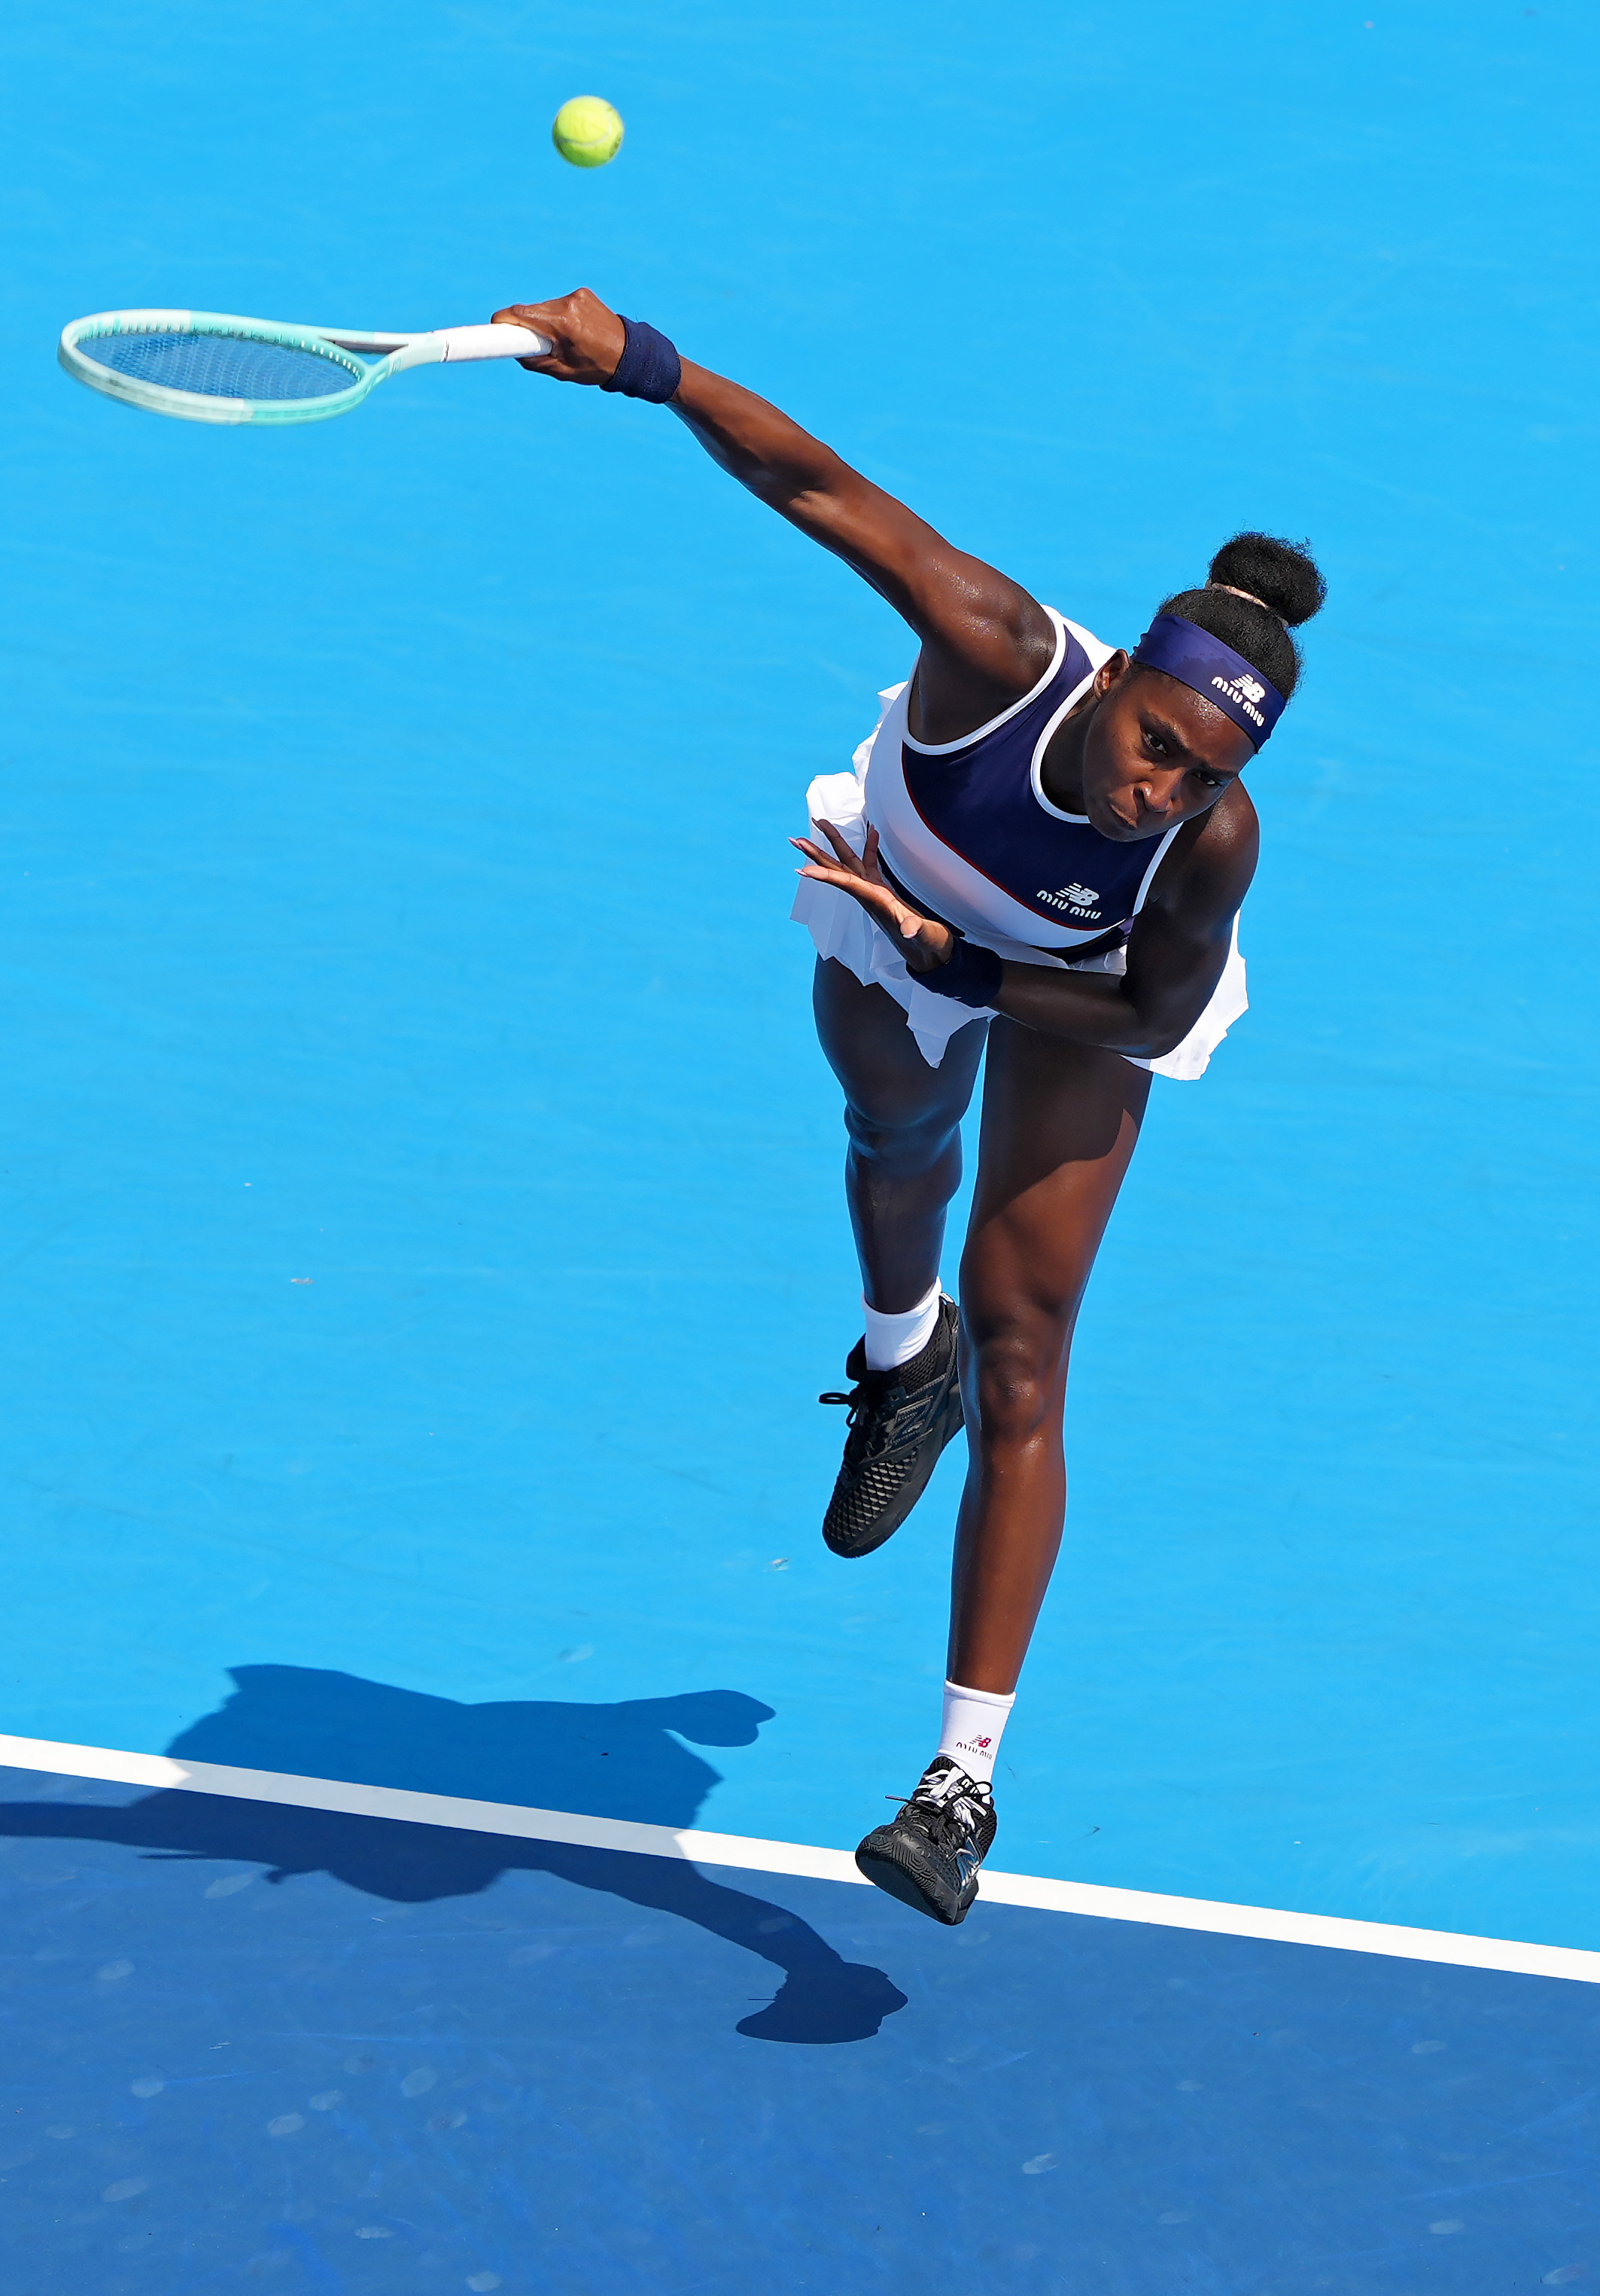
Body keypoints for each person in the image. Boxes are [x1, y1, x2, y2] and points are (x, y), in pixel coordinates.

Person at [494, 288, 1323, 1926]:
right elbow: (816, 485)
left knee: (1032, 1341)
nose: (1159, 790)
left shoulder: (1207, 848)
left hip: (1067, 988)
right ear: (1118, 683)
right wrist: (646, 367)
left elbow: (1153, 1006)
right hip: (906, 903)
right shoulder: (994, 649)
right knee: (895, 1141)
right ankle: (896, 1355)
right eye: (1157, 746)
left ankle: (958, 1785)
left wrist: (970, 959)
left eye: (1198, 779)